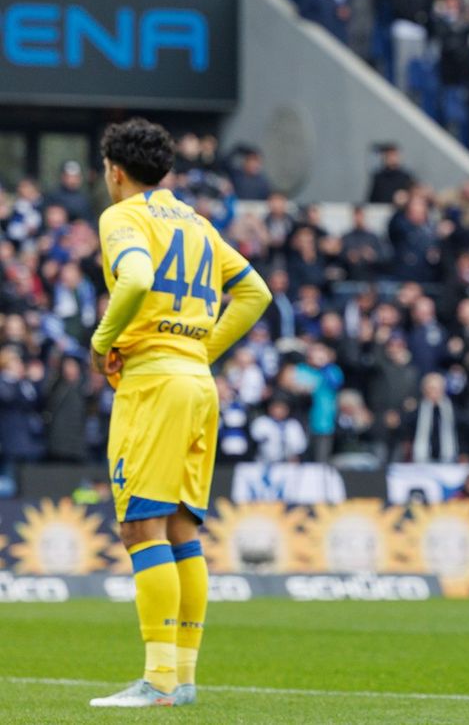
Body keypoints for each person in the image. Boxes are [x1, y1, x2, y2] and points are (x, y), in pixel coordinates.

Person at [87, 118, 271, 708]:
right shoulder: (195, 222)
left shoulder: (123, 216)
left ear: (114, 170)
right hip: (198, 384)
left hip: (153, 384)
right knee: (181, 529)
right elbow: (255, 293)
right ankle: (182, 679)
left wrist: (101, 342)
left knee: (140, 526)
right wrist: (201, 350)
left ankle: (158, 681)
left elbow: (136, 277)